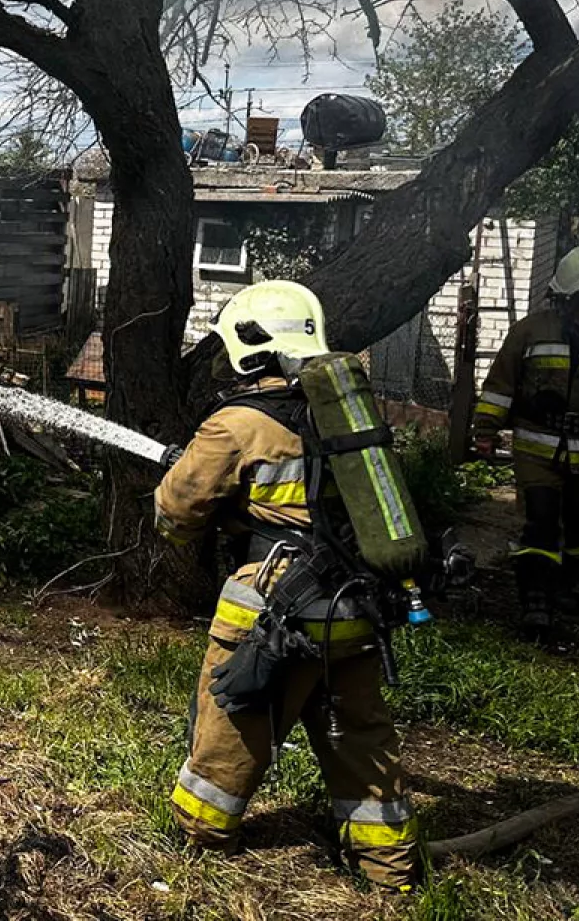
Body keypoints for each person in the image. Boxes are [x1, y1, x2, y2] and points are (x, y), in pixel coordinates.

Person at [155, 280, 421, 892]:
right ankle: (389, 867)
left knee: (233, 722)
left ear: (251, 348)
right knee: (362, 738)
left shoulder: (238, 423)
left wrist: (193, 480)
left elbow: (175, 515)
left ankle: (200, 839)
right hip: (355, 604)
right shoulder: (347, 414)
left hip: (273, 608)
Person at [472, 245, 579, 633]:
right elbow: (500, 385)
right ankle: (535, 597)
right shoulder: (531, 330)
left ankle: (570, 585)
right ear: (564, 299)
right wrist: (486, 430)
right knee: (540, 521)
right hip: (536, 447)